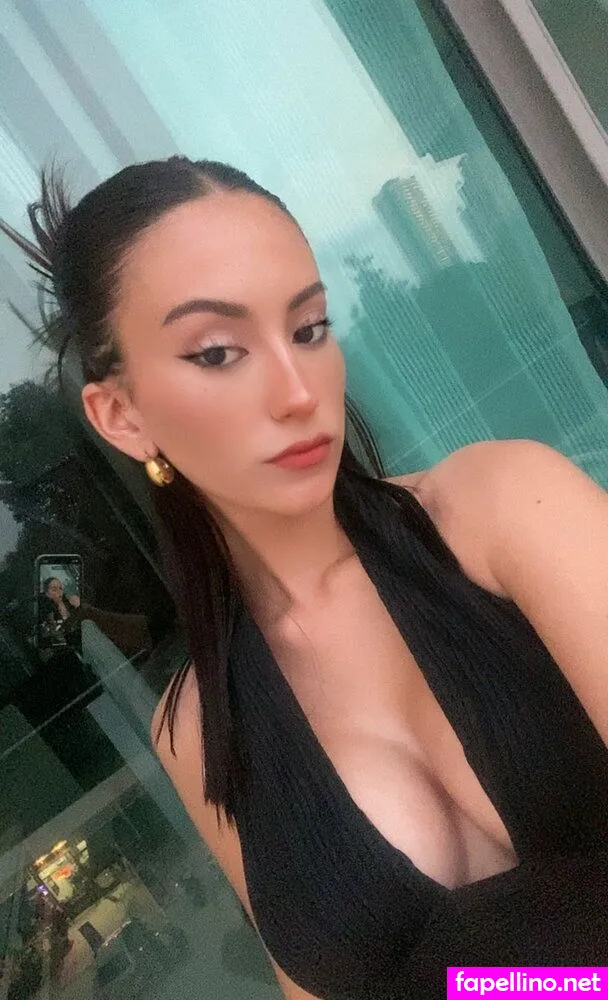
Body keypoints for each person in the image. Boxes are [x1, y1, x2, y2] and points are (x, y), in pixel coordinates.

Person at [2, 156, 607, 999]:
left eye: (309, 329)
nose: (296, 391)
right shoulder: (197, 729)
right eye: (218, 352)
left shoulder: (503, 508)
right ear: (123, 416)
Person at [37, 576, 82, 655]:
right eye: (54, 589)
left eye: (60, 588)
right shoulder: (44, 611)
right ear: (46, 593)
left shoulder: (70, 605)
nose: (59, 592)